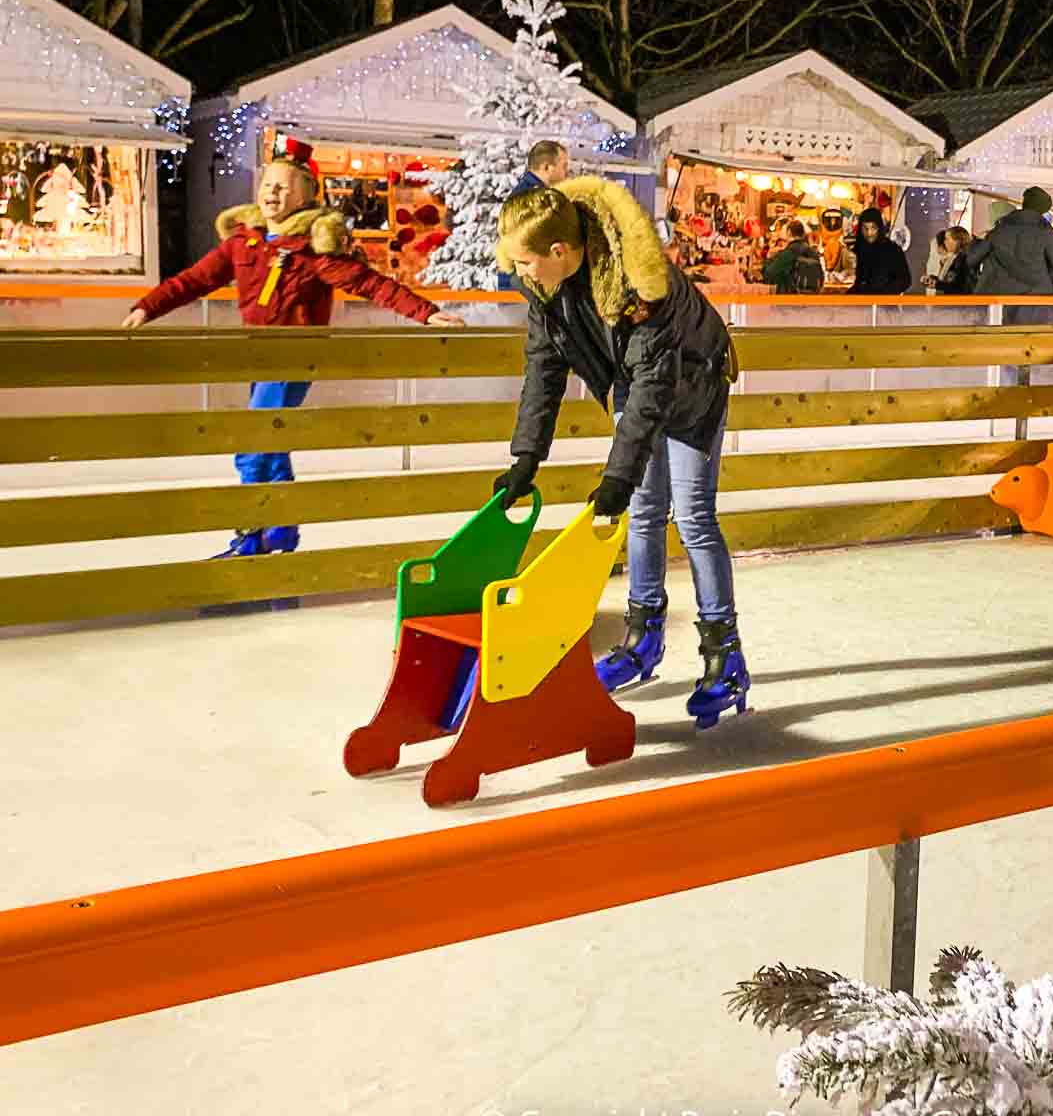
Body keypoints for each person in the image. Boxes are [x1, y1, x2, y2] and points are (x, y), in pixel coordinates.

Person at [122, 139, 464, 559]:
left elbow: (372, 284)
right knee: (273, 446)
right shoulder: (244, 243)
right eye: (268, 184)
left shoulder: (313, 252)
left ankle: (249, 537)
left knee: (254, 448)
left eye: (284, 187)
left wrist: (426, 313)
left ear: (306, 196)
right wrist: (146, 307)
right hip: (257, 357)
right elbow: (192, 280)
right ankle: (280, 534)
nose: (272, 193)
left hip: (294, 357)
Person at [492, 178, 748, 728]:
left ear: (559, 252)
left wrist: (617, 477)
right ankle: (644, 636)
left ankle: (724, 655)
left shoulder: (639, 284)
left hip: (693, 386)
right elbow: (543, 370)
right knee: (644, 513)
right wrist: (526, 458)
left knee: (694, 516)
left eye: (525, 262)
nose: (519, 273)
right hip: (640, 384)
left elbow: (656, 390)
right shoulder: (547, 291)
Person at [963, 187, 1053, 297]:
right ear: (1042, 210)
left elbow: (971, 260)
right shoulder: (1046, 233)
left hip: (999, 299)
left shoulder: (999, 230)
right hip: (1035, 299)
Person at [850, 206, 912, 295]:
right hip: (861, 305)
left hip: (886, 306)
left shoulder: (893, 250)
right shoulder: (858, 249)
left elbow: (905, 281)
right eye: (865, 228)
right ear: (860, 229)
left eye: (873, 228)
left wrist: (882, 294)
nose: (869, 233)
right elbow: (857, 283)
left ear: (879, 228)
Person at [762, 219, 825, 295]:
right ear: (803, 234)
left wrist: (768, 258)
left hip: (788, 301)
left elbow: (769, 275)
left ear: (789, 233)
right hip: (809, 301)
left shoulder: (787, 254)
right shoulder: (813, 253)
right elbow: (821, 278)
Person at [506, 139, 571, 202]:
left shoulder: (523, 191)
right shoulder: (538, 199)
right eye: (564, 166)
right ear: (547, 167)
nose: (567, 172)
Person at [935, 226, 977, 294]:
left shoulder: (962, 260)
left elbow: (958, 286)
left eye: (947, 239)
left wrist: (937, 284)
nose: (945, 242)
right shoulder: (957, 258)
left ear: (957, 241)